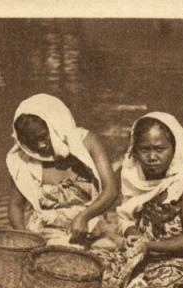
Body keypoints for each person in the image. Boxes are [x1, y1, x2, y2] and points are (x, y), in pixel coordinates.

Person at [100, 112, 183, 288]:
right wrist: (132, 234)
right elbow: (127, 215)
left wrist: (150, 246)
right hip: (144, 249)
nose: (152, 157)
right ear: (134, 150)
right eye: (144, 150)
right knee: (98, 272)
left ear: (174, 147)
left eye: (160, 149)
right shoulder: (133, 173)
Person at [6, 93, 118, 246]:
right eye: (32, 141)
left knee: (110, 250)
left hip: (91, 223)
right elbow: (15, 206)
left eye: (43, 136)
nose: (40, 146)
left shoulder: (87, 143)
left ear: (56, 126)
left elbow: (110, 190)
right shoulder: (22, 159)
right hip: (47, 232)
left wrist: (83, 217)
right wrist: (26, 237)